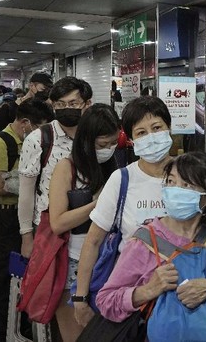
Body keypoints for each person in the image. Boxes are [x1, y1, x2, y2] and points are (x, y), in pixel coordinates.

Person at [97, 151, 206, 329]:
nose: (174, 190)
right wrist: (147, 290)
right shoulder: (144, 240)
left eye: (186, 184)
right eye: (171, 182)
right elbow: (105, 301)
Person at [74, 95, 173, 327]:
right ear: (130, 140)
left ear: (169, 128)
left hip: (181, 292)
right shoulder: (122, 179)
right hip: (132, 297)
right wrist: (80, 298)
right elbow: (93, 242)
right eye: (141, 133)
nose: (151, 136)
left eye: (157, 127)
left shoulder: (191, 174)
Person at [0, 98, 54, 342]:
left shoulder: (33, 143)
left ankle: (21, 330)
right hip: (6, 220)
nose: (43, 134)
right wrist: (27, 182)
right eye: (40, 127)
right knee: (4, 280)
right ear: (25, 123)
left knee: (27, 280)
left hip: (30, 219)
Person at [47, 104, 120, 341]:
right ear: (86, 140)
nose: (108, 150)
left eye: (112, 144)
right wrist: (96, 205)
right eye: (102, 145)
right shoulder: (66, 168)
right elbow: (57, 223)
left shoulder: (115, 168)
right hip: (74, 264)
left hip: (109, 261)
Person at [18, 77, 93, 259]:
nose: (66, 108)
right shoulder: (38, 139)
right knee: (50, 283)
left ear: (87, 104)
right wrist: (27, 237)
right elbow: (26, 193)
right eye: (60, 104)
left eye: (73, 103)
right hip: (48, 227)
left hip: (89, 225)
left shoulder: (95, 136)